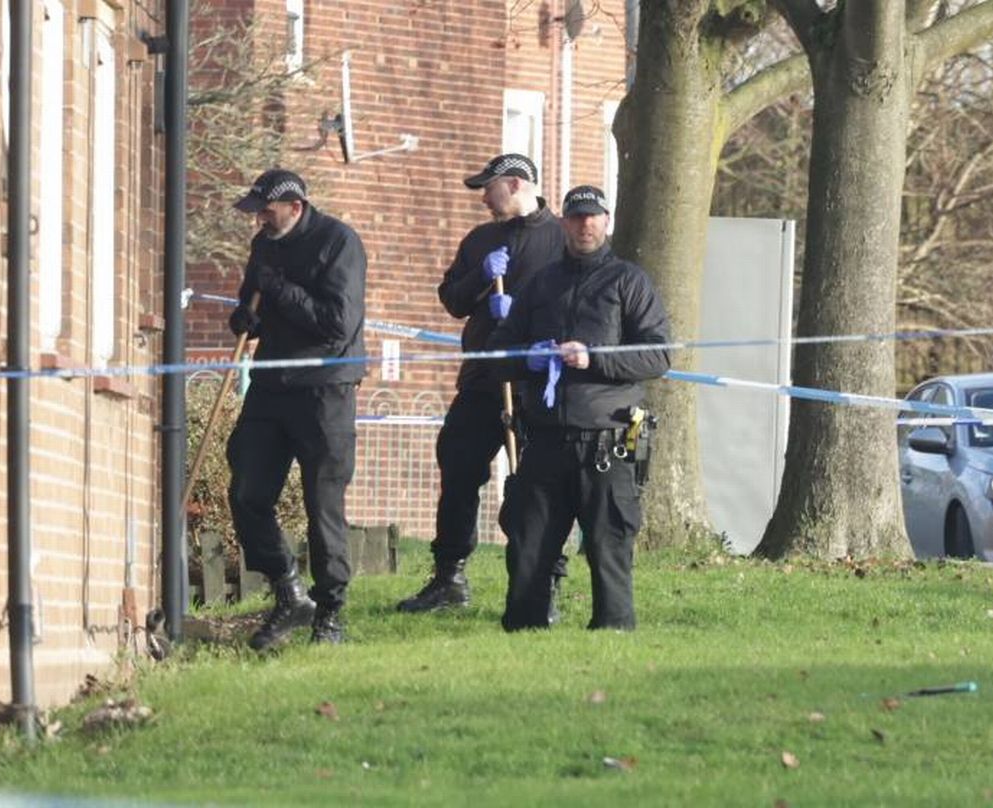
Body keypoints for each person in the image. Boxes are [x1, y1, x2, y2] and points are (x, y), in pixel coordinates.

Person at [487, 185, 671, 631]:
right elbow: (496, 353)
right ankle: (524, 631)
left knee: (609, 547)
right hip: (546, 439)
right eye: (576, 217)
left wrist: (595, 357)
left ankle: (612, 632)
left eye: (593, 217)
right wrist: (527, 358)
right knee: (528, 545)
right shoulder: (540, 284)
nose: (584, 225)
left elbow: (659, 356)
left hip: (606, 440)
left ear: (606, 221)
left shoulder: (629, 281)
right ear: (564, 223)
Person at [397, 153, 567, 615]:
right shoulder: (480, 240)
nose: (484, 200)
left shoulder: (560, 240)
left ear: (513, 185)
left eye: (488, 190)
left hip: (534, 382)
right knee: (457, 466)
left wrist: (526, 313)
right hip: (481, 377)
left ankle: (544, 581)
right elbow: (452, 299)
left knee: (535, 482)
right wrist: (480, 278)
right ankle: (449, 577)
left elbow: (576, 304)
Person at [225, 168, 367, 649]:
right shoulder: (265, 246)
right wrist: (245, 316)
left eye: (266, 211)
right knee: (247, 488)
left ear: (294, 207)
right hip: (271, 385)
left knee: (322, 502)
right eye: (257, 212)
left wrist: (280, 289)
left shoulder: (338, 243)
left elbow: (336, 325)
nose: (259, 220)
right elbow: (257, 307)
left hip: (325, 389)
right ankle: (289, 590)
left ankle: (331, 612)